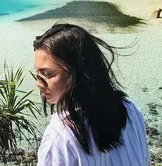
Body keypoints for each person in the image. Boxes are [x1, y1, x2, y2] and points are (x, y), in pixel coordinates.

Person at [32, 24, 150, 166]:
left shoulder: (61, 134)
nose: (39, 84)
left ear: (77, 72)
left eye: (47, 74)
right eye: (37, 74)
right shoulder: (130, 109)